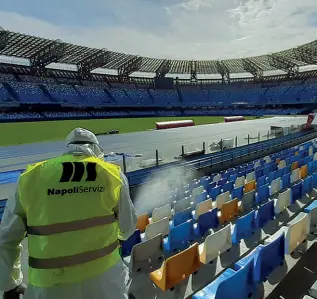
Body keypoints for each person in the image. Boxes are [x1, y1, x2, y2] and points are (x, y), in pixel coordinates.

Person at [0, 128, 137, 299]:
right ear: (96, 149)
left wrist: (10, 283)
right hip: (106, 279)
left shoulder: (31, 177)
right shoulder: (111, 174)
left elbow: (6, 238)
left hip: (50, 286)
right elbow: (128, 227)